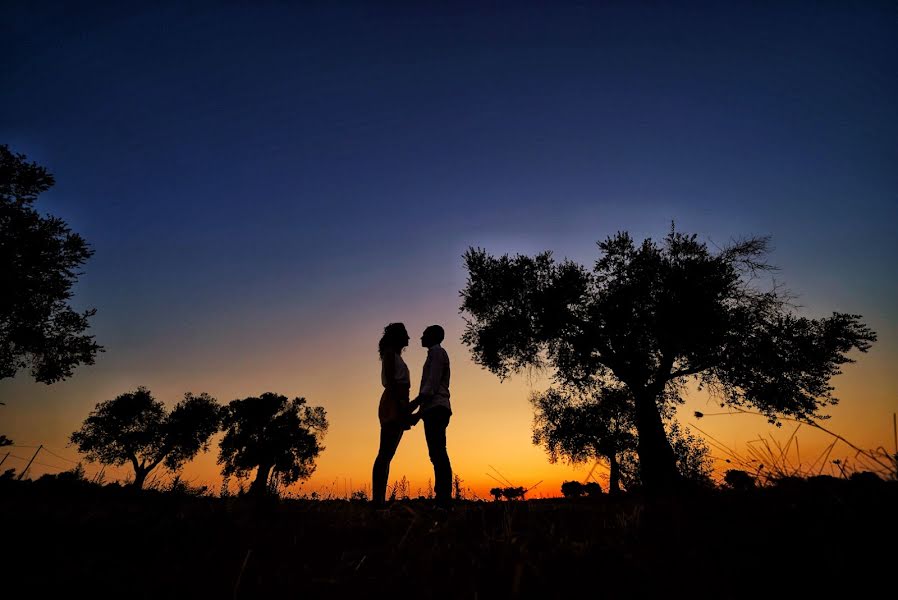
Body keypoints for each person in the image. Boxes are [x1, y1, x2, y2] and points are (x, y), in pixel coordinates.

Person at [408, 324, 452, 508]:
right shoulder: (434, 355)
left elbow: (432, 385)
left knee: (438, 452)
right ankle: (442, 498)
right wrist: (419, 414)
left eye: (424, 334)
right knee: (436, 452)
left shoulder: (437, 354)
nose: (421, 337)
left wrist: (413, 405)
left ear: (433, 336)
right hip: (434, 409)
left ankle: (443, 500)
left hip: (437, 408)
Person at [371, 322, 413, 508]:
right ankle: (378, 501)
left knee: (387, 454)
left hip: (398, 402)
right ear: (397, 336)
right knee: (385, 454)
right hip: (393, 404)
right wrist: (401, 407)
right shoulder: (390, 354)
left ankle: (379, 500)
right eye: (404, 333)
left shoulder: (395, 356)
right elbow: (391, 382)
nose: (408, 337)